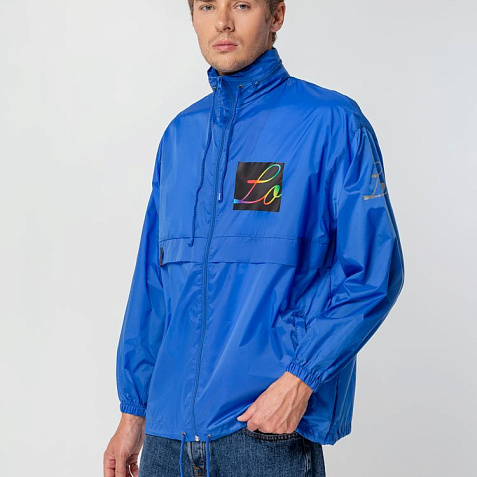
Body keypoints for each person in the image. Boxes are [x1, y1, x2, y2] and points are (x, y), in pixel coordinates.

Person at [103, 1, 405, 476]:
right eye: (207, 6)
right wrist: (133, 411)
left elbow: (372, 272)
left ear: (276, 15)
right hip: (166, 441)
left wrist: (301, 379)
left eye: (241, 4)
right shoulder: (180, 136)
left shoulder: (331, 122)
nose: (222, 21)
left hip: (261, 438)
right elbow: (152, 286)